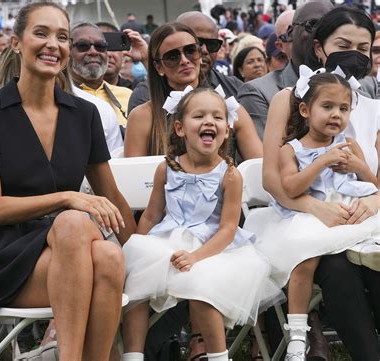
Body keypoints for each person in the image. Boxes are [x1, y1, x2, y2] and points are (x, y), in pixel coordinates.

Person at [0, 3, 136, 360]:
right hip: (7, 256)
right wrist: (66, 198)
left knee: (109, 256)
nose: (52, 45)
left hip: (70, 251)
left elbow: (111, 195)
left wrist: (139, 251)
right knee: (75, 222)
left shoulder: (83, 114)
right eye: (40, 33)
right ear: (16, 42)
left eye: (62, 37)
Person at [255, 6, 380, 361]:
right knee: (339, 267)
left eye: (363, 47)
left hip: (364, 216)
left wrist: (374, 202)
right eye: (343, 44)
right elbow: (271, 178)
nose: (354, 54)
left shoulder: (374, 107)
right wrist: (314, 207)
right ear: (320, 47)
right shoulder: (290, 99)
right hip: (306, 219)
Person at [121, 87, 282, 361]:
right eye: (200, 116)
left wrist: (196, 257)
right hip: (165, 244)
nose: (210, 121)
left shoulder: (230, 175)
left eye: (218, 117)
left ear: (227, 130)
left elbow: (228, 229)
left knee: (202, 285)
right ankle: (133, 356)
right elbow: (151, 215)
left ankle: (218, 356)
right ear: (180, 128)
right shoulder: (166, 168)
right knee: (137, 283)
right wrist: (134, 249)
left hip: (214, 249)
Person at [125, 21, 262, 162]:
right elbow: (133, 178)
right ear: (158, 67)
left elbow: (257, 168)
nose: (184, 60)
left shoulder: (232, 110)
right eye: (172, 57)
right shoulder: (142, 117)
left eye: (190, 51)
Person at [237, 0, 335, 140]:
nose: (322, 35)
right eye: (313, 25)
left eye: (332, 29)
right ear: (290, 33)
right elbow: (266, 157)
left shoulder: (359, 89)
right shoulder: (259, 92)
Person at [69, 22, 134, 126]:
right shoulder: (56, 96)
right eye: (83, 46)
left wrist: (146, 59)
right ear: (68, 52)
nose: (93, 52)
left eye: (101, 46)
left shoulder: (128, 96)